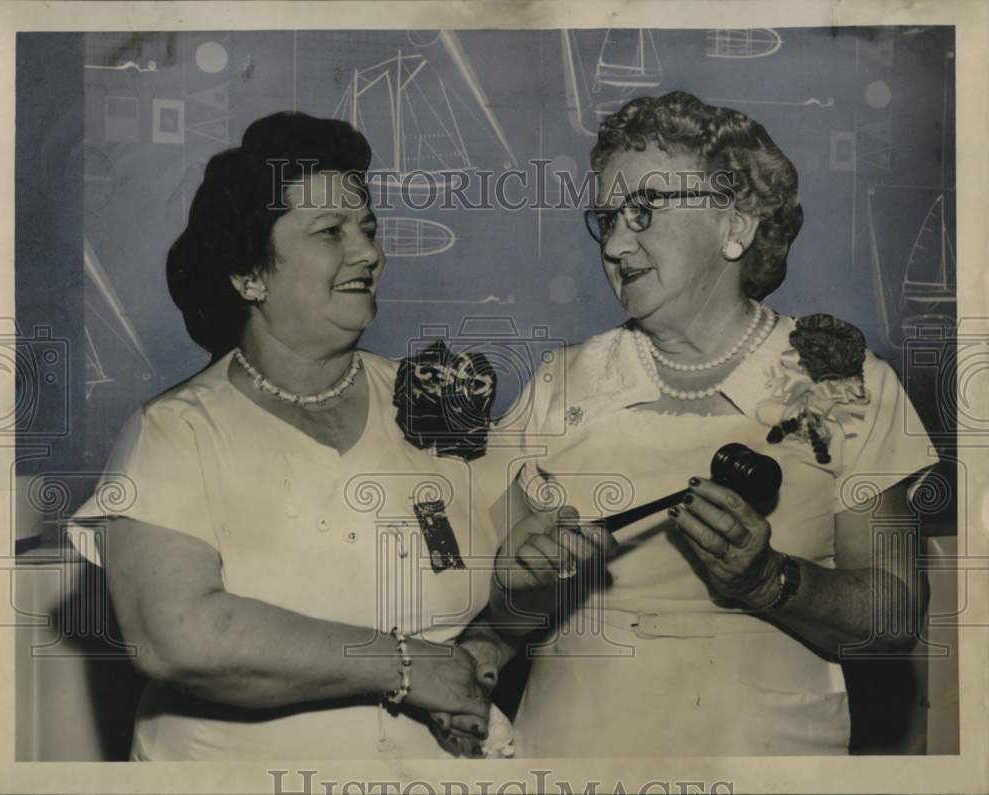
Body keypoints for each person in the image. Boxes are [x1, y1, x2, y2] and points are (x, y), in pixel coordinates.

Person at [478, 91, 938, 756]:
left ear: (737, 222)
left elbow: (894, 617)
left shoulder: (847, 387)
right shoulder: (560, 383)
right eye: (605, 217)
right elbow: (497, 621)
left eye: (644, 209)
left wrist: (769, 580)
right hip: (570, 753)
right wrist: (514, 585)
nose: (614, 242)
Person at [66, 112, 504, 760]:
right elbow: (177, 633)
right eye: (331, 232)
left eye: (368, 228)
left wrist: (486, 655)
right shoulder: (174, 432)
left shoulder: (435, 398)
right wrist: (406, 666)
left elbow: (536, 565)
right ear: (251, 276)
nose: (369, 252)